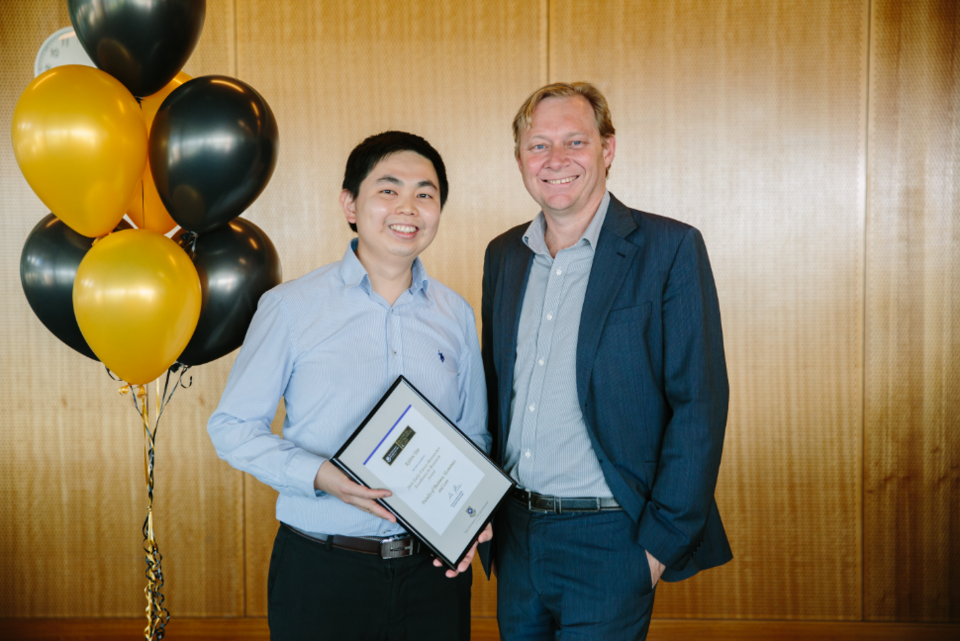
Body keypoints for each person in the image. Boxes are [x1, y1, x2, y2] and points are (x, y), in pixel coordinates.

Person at [208, 131, 492, 641]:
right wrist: (322, 476)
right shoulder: (290, 307)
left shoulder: (456, 315)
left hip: (433, 575)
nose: (408, 207)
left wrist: (471, 516)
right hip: (323, 568)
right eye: (389, 189)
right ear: (350, 204)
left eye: (425, 194)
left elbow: (474, 437)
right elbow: (232, 428)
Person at [480, 82, 732, 640]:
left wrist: (658, 547)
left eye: (575, 141)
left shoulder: (669, 249)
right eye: (538, 145)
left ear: (607, 150)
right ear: (520, 158)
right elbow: (496, 390)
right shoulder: (504, 256)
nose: (556, 160)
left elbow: (700, 405)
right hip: (517, 535)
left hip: (614, 538)